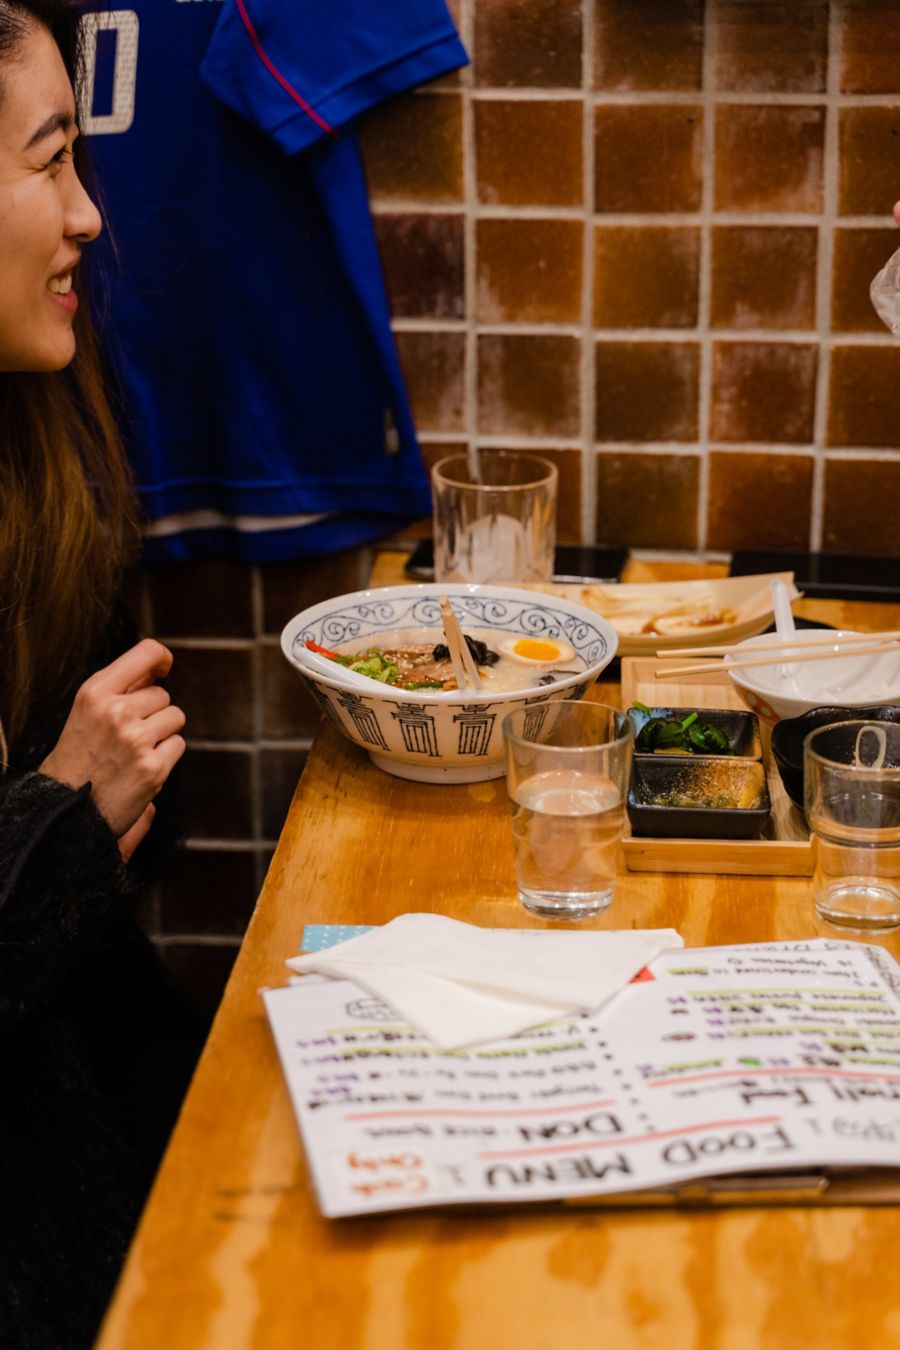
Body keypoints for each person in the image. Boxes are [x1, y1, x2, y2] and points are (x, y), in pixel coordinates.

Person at [0, 2, 202, 1345]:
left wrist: (107, 797)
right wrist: (58, 815)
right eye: (48, 158)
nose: (89, 215)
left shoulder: (40, 445)